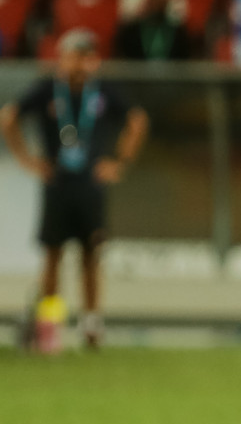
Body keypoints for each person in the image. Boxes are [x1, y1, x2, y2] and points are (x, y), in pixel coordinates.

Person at [0, 29, 148, 347]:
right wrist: (28, 160)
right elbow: (9, 117)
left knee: (91, 254)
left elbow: (137, 121)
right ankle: (50, 327)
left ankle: (91, 324)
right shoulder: (48, 89)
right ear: (63, 57)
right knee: (53, 255)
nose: (81, 63)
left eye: (87, 55)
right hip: (58, 183)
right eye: (75, 55)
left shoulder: (103, 90)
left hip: (90, 184)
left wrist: (119, 162)